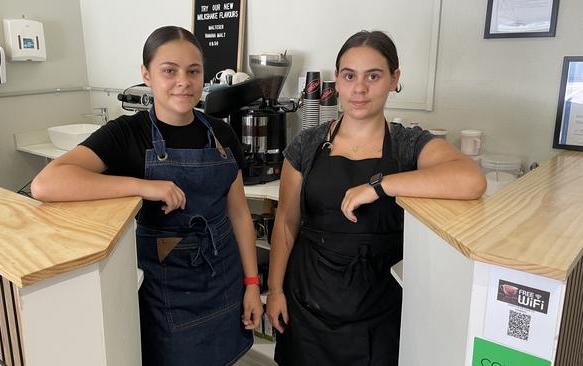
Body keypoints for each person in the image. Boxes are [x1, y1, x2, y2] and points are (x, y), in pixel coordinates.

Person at [31, 26, 262, 365]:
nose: (183, 81)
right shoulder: (127, 133)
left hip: (223, 279)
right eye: (169, 70)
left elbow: (240, 215)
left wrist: (253, 284)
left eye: (193, 71)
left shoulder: (222, 133)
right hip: (168, 291)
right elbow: (47, 183)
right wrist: (143, 186)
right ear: (146, 74)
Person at [265, 30, 486, 365]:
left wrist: (379, 186)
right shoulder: (307, 145)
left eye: (374, 76)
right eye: (349, 76)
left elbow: (471, 180)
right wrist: (276, 290)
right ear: (336, 82)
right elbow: (285, 222)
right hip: (307, 302)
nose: (359, 89)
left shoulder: (408, 144)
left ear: (394, 79)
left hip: (379, 309)